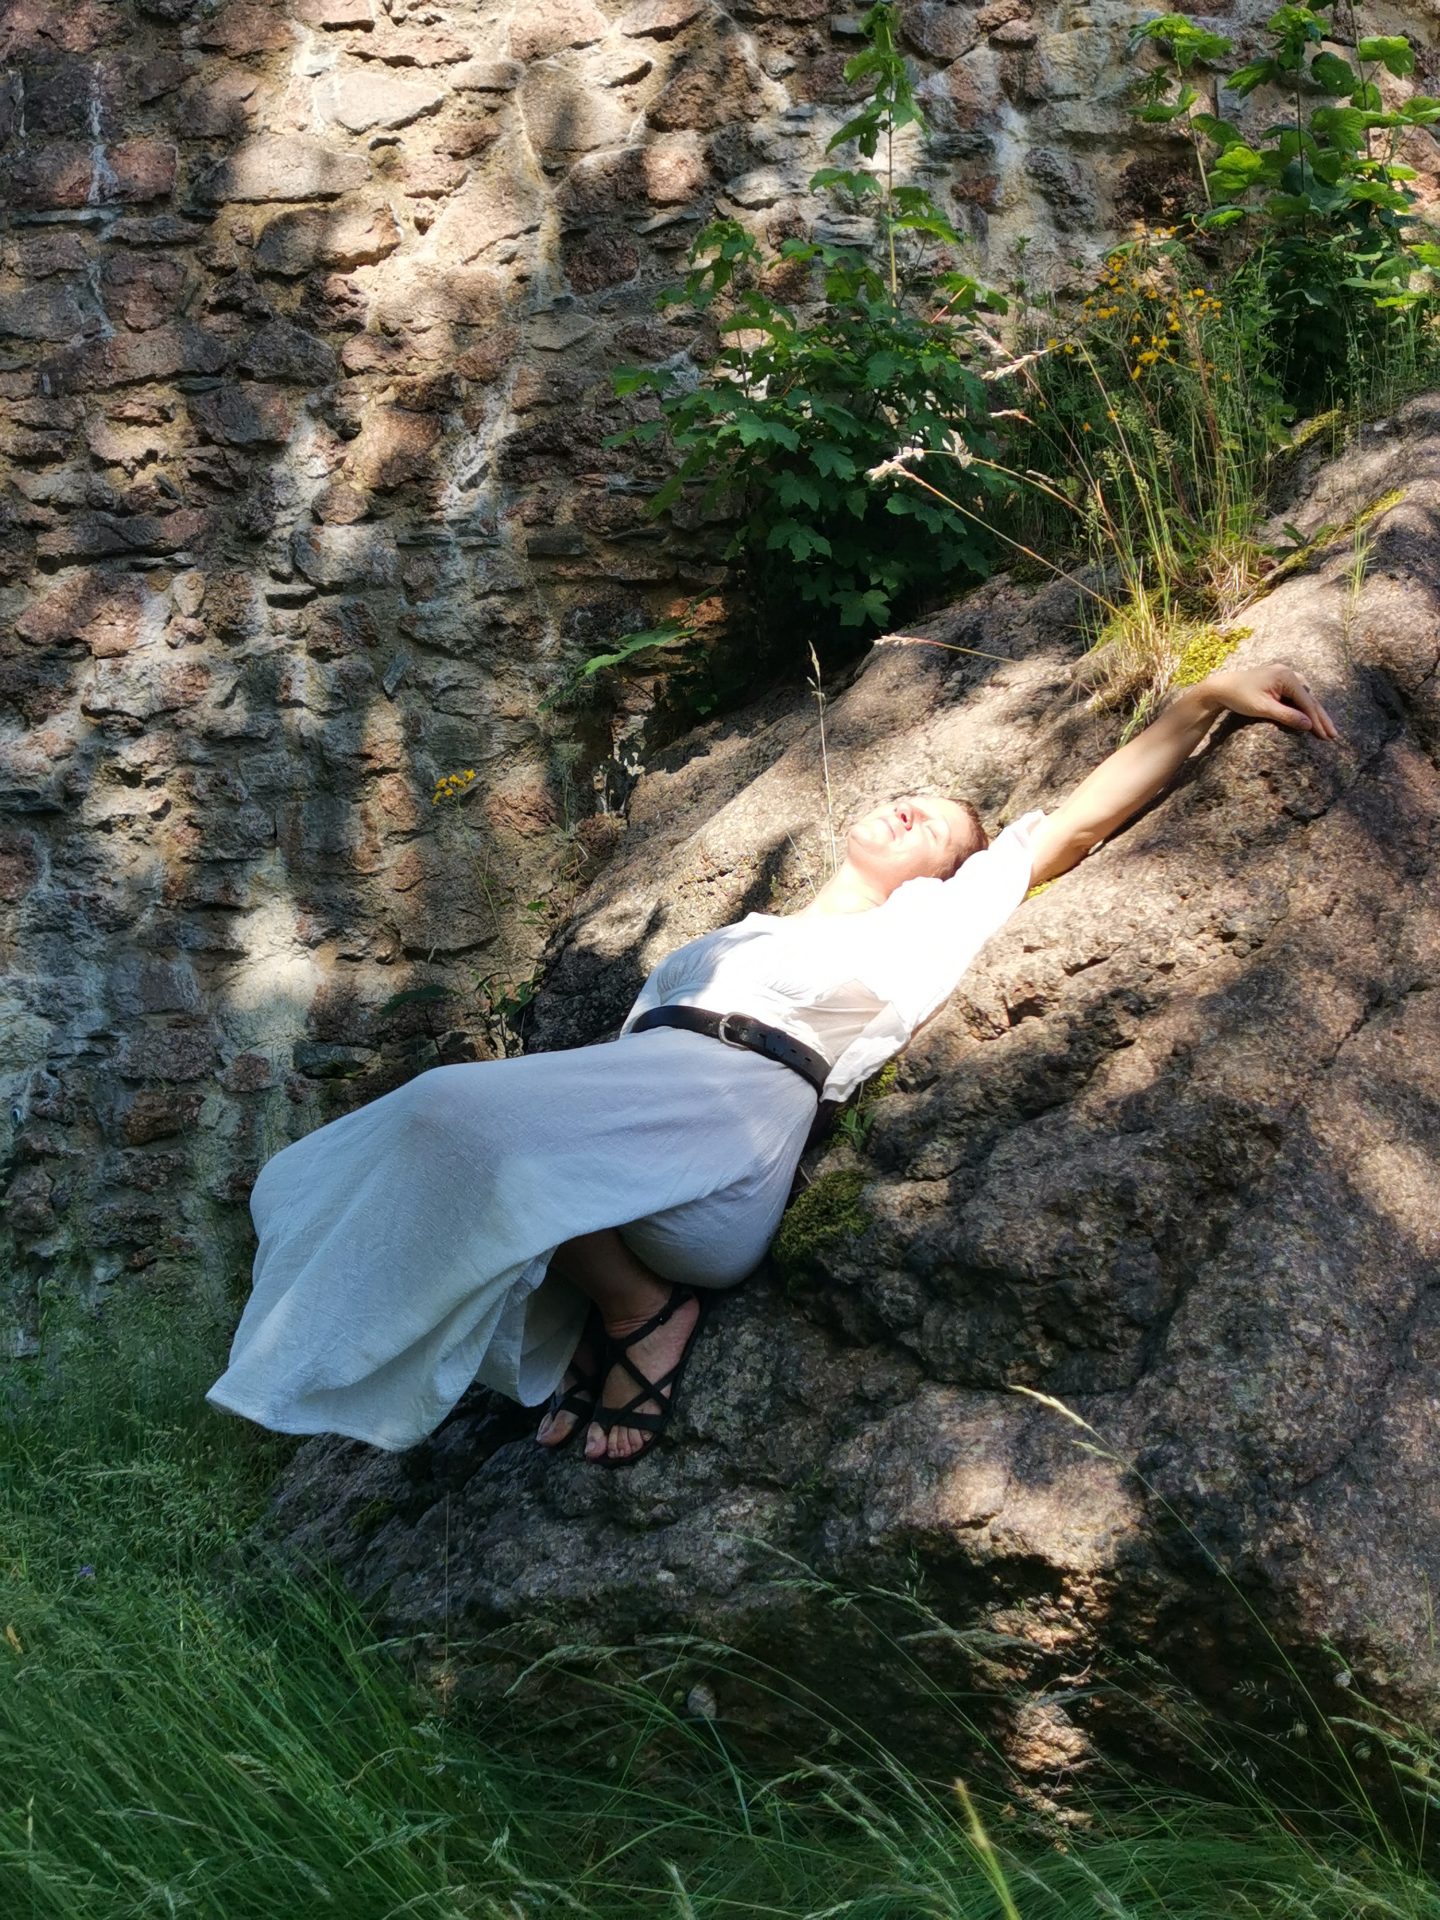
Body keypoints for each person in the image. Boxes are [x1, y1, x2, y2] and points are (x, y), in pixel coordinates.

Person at [204, 662, 1337, 1469]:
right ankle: (612, 1299)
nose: (913, 812)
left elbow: (1070, 829)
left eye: (940, 824)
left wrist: (1200, 700)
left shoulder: (927, 922)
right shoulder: (725, 942)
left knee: (454, 1107)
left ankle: (641, 1310)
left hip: (726, 1149)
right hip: (637, 1121)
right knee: (360, 1156)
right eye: (908, 797)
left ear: (954, 869)